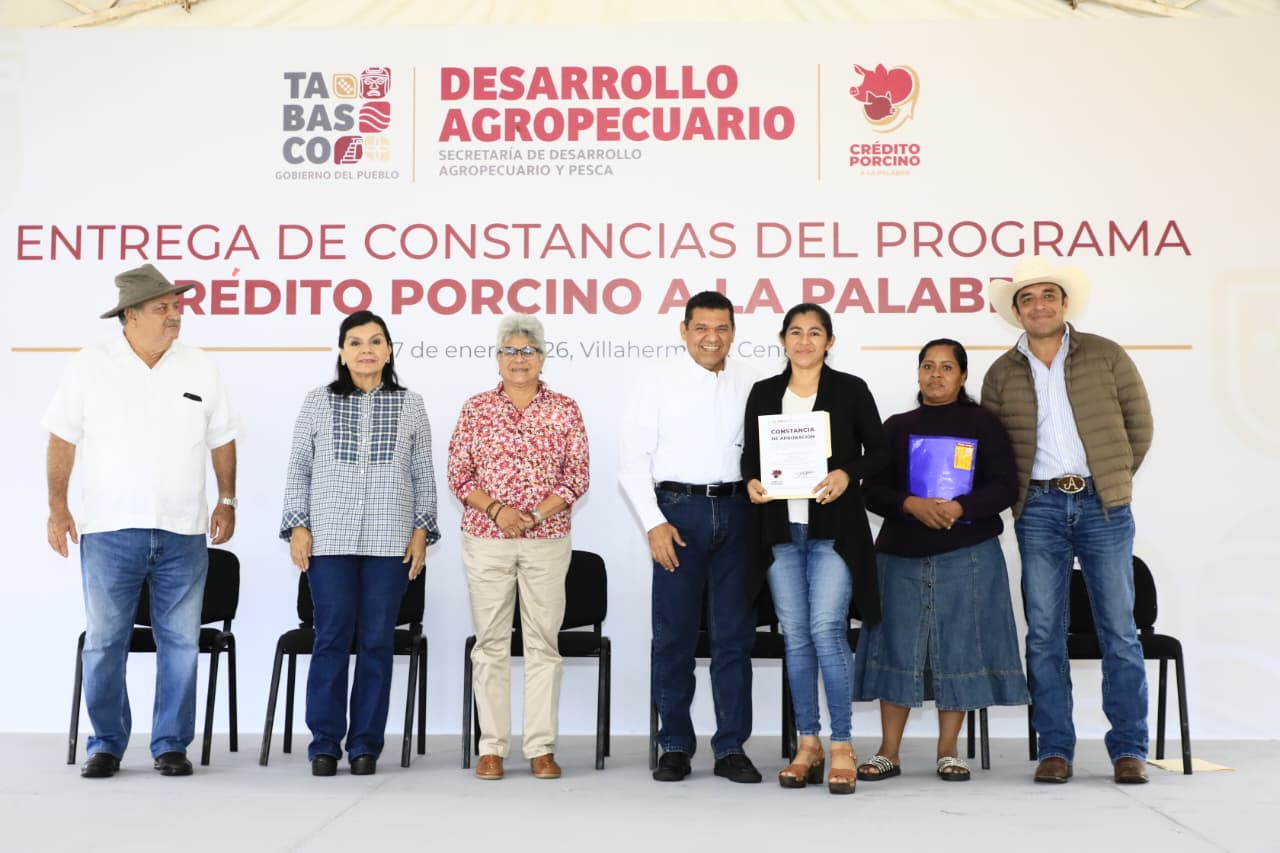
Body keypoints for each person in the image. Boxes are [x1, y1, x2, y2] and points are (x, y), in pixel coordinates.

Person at [44, 263, 240, 779]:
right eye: (163, 308)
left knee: (181, 643)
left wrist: (227, 499)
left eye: (177, 306)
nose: (175, 315)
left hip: (184, 531)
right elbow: (62, 438)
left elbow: (222, 437)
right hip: (109, 531)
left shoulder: (199, 365)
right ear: (130, 315)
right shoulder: (89, 365)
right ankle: (106, 744)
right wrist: (58, 507)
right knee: (105, 642)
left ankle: (171, 744)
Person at [982, 255, 1154, 785]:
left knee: (1119, 631)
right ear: (1016, 311)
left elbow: (1139, 426)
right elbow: (994, 450)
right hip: (1038, 509)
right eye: (1027, 298)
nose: (1038, 305)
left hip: (1104, 506)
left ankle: (1129, 750)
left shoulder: (1106, 355)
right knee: (1043, 635)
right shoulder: (1000, 373)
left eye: (1047, 296)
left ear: (1064, 303)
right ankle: (1054, 749)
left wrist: (1112, 479)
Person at [853, 338, 1029, 783]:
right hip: (901, 555)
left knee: (960, 647)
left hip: (967, 554)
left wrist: (960, 507)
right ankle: (888, 752)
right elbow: (872, 490)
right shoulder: (896, 427)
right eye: (928, 366)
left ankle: (948, 751)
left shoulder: (985, 425)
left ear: (963, 376)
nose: (936, 374)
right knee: (897, 646)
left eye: (947, 367)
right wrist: (910, 504)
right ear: (918, 373)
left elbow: (1005, 487)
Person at [280, 310, 440, 777]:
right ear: (342, 352)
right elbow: (298, 467)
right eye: (355, 342)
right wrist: (298, 525)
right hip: (329, 538)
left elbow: (423, 473)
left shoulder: (411, 404)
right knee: (330, 638)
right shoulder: (318, 401)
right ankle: (325, 744)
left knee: (376, 641)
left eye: (375, 341)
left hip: (391, 541)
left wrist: (422, 530)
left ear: (389, 351)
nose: (365, 349)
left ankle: (366, 744)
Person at [741, 303, 889, 794]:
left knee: (827, 632)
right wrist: (751, 481)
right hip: (781, 533)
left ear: (830, 341)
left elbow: (881, 452)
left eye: (815, 332)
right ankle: (808, 743)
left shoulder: (850, 389)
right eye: (796, 332)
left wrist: (848, 473)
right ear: (782, 339)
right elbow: (750, 458)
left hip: (833, 532)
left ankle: (842, 742)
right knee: (797, 638)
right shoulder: (764, 393)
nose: (804, 341)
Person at [619, 290, 762, 784]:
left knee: (733, 638)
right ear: (683, 331)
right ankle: (675, 745)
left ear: (733, 332)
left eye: (721, 328)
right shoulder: (656, 378)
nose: (711, 337)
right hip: (677, 515)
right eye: (701, 327)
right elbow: (632, 460)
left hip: (739, 513)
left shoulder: (751, 380)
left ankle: (731, 748)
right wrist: (653, 523)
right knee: (675, 637)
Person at [447, 315, 589, 781]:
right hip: (487, 539)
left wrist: (535, 515)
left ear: (542, 358)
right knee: (490, 643)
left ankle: (541, 747)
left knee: (543, 644)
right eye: (510, 351)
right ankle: (491, 747)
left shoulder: (565, 409)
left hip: (546, 540)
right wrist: (498, 511)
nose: (519, 359)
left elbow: (577, 476)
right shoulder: (475, 409)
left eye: (528, 351)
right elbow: (459, 475)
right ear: (497, 358)